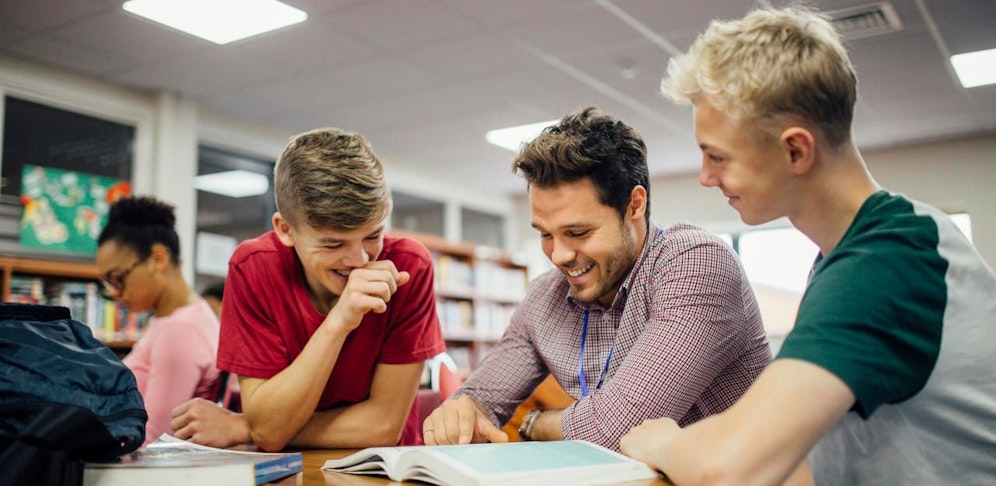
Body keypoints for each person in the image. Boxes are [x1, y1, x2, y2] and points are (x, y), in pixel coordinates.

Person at [619, 6, 996, 485]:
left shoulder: (888, 260)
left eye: (718, 157)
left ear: (796, 149)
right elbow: (807, 462)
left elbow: (732, 469)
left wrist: (662, 440)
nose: (706, 177)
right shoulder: (852, 255)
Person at [423, 106, 771, 451]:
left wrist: (534, 423)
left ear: (634, 205)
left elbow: (619, 428)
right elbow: (478, 400)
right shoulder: (545, 297)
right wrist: (458, 416)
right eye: (545, 234)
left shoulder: (695, 262)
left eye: (577, 232)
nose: (558, 256)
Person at [170, 127, 446, 451]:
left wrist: (246, 427)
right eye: (333, 243)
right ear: (285, 230)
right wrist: (339, 321)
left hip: (382, 467)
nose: (359, 260)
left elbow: (382, 426)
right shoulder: (253, 267)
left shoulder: (409, 266)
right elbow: (269, 430)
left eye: (372, 236)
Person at [96, 196, 222, 446]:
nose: (113, 292)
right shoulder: (174, 320)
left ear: (157, 259)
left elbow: (154, 441)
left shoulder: (180, 331)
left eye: (118, 278)